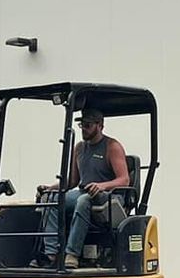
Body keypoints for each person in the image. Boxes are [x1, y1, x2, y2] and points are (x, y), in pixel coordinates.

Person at [38, 107, 129, 268]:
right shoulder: (79, 148)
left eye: (88, 125)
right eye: (82, 125)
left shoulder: (112, 147)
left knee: (84, 200)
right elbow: (72, 181)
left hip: (109, 197)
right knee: (50, 199)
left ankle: (72, 254)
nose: (84, 129)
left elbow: (124, 180)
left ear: (100, 125)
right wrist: (50, 188)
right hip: (84, 192)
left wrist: (101, 186)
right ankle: (51, 254)